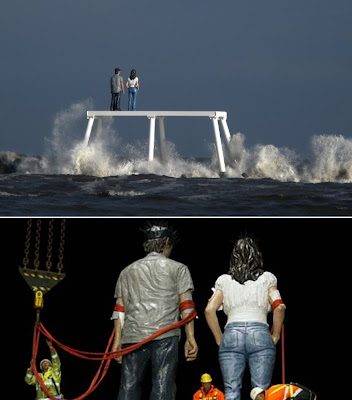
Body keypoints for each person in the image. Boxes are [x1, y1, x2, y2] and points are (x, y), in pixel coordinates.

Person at [111, 220, 198, 400]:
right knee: (162, 386)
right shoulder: (179, 268)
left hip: (133, 337)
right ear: (167, 243)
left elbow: (119, 310)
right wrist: (190, 337)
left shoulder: (127, 271)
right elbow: (187, 306)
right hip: (165, 336)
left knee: (128, 386)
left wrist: (117, 341)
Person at [205, 236, 286, 400]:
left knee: (231, 391)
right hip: (260, 333)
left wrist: (220, 339)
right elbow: (279, 306)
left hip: (232, 333)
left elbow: (209, 309)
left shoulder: (224, 281)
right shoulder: (267, 279)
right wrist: (275, 335)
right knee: (261, 392)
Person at [250, 383, 317, 400]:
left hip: (300, 396)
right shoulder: (271, 390)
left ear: (261, 395)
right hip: (301, 393)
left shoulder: (271, 397)